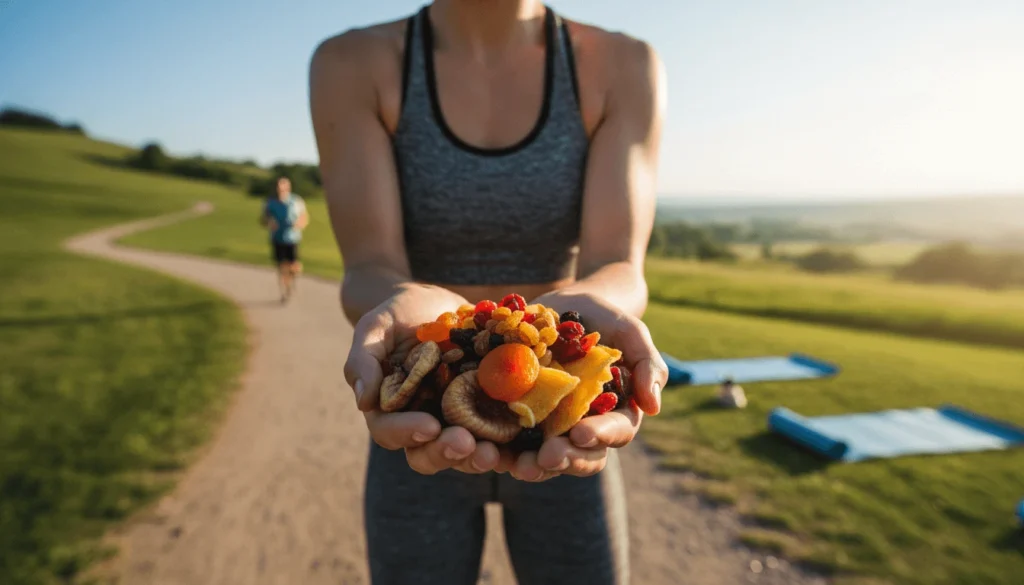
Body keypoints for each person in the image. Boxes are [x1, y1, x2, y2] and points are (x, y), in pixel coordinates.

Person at [309, 1, 669, 583]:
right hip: (423, 410)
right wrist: (407, 309)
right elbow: (371, 264)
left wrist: (590, 315)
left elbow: (618, 264)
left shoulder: (623, 63)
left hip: (562, 416)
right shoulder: (351, 63)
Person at [260, 176, 309, 303]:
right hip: (277, 238)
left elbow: (304, 218)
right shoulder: (270, 202)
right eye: (278, 186)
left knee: (294, 267)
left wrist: (299, 224)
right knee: (281, 267)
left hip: (292, 238)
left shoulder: (296, 201)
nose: (279, 188)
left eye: (282, 186)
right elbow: (263, 219)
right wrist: (269, 221)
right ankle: (285, 291)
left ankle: (292, 279)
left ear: (288, 187)